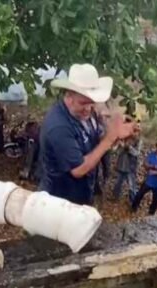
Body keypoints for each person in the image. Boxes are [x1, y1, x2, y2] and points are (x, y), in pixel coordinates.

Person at [39, 64, 136, 205]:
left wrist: (116, 135)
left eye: (92, 103)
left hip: (81, 195)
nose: (88, 109)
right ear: (69, 96)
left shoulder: (85, 113)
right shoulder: (59, 127)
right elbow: (78, 169)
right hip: (60, 203)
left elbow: (93, 142)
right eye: (83, 103)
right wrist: (109, 139)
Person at [131, 140, 157, 215]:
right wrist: (153, 166)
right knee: (139, 194)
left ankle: (151, 214)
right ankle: (133, 209)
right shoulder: (152, 154)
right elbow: (145, 164)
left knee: (155, 200)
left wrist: (156, 172)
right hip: (148, 181)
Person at [112, 131, 141, 203]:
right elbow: (115, 151)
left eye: (136, 132)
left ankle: (133, 201)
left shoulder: (138, 141)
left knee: (132, 186)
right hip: (121, 165)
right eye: (133, 131)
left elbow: (136, 153)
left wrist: (126, 147)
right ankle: (115, 197)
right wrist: (117, 145)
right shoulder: (123, 138)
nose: (134, 133)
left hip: (131, 167)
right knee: (118, 183)